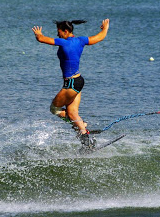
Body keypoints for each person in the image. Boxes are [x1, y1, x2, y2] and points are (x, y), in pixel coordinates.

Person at [32, 19, 110, 149]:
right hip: (79, 81)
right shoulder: (81, 40)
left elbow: (41, 39)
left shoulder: (63, 42)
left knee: (55, 109)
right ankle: (85, 141)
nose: (58, 35)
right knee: (72, 111)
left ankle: (82, 128)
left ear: (66, 31)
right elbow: (99, 37)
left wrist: (38, 33)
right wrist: (105, 28)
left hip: (71, 84)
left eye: (59, 32)